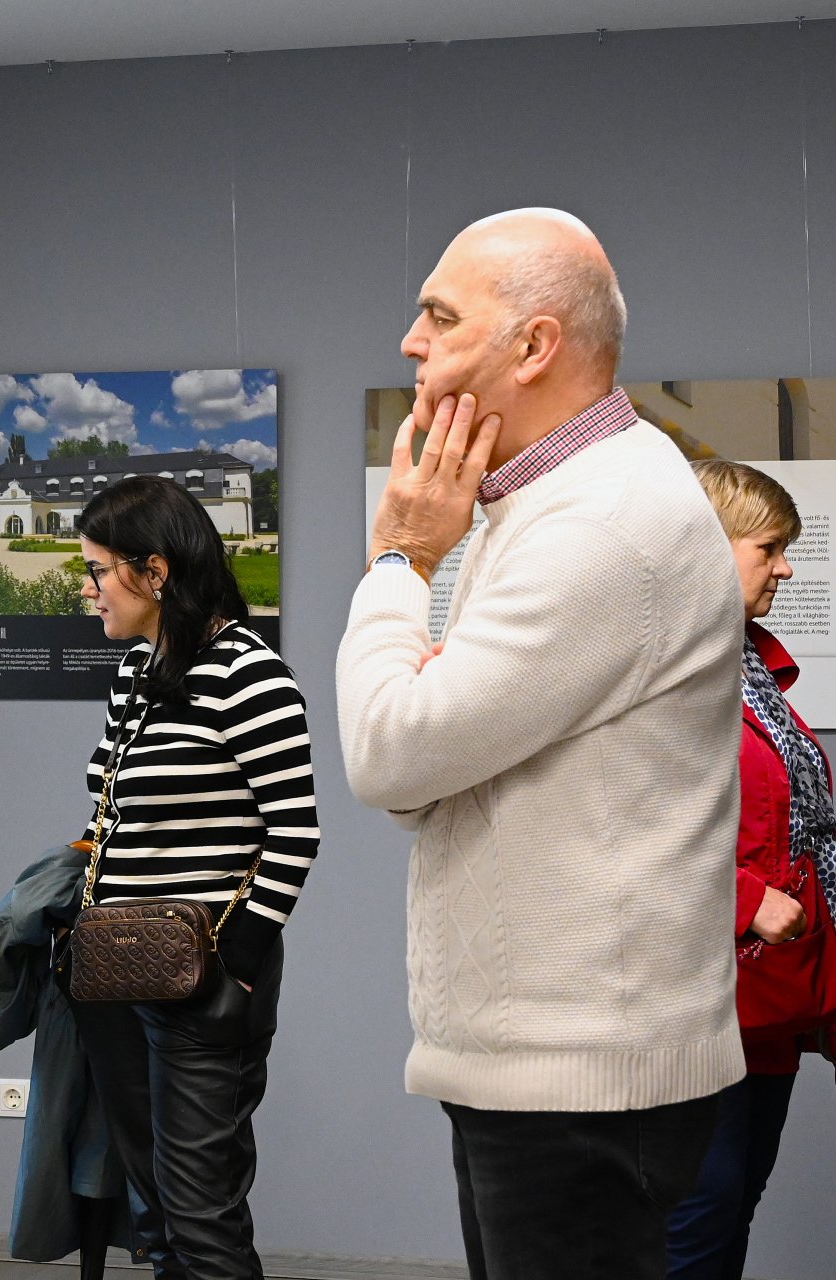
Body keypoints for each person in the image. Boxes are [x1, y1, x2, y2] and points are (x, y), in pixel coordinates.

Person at [335, 208, 745, 1280]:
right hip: (557, 1058)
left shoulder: (596, 524)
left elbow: (388, 750)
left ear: (534, 345)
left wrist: (397, 562)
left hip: (578, 1071)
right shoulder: (561, 503)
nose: (409, 342)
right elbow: (423, 777)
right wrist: (422, 737)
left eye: (438, 314)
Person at [64, 475, 320, 1280]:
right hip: (116, 971)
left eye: (99, 570)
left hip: (203, 981)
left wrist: (237, 964)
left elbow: (296, 830)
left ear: (155, 571)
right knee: (158, 1216)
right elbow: (110, 810)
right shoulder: (135, 671)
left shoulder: (248, 671)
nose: (88, 588)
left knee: (202, 1215)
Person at [665, 460, 836, 1279]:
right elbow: (627, 820)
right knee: (694, 1225)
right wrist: (744, 900)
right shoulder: (663, 667)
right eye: (770, 547)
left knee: (732, 1206)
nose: (785, 567)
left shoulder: (749, 665)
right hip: (699, 1003)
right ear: (710, 547)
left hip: (769, 1003)